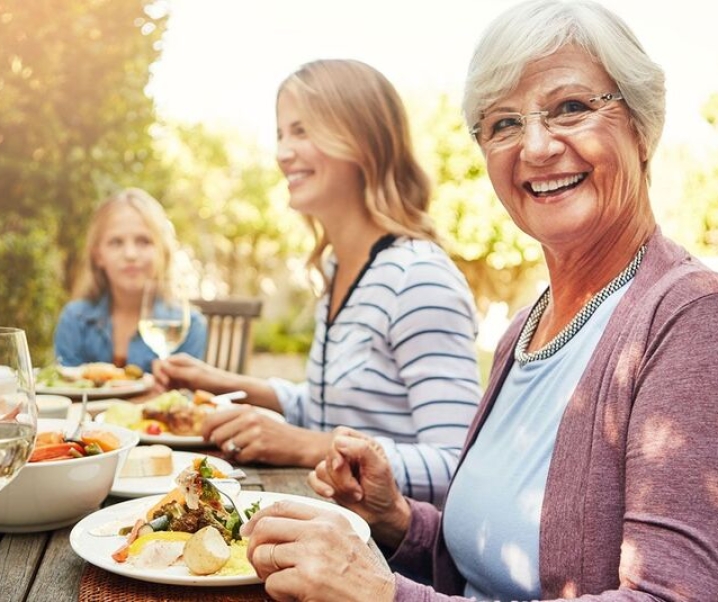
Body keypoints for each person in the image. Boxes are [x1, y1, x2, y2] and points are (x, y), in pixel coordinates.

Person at [237, 1, 718, 600]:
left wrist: (385, 594)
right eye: (504, 123)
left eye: (570, 107)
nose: (537, 147)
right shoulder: (524, 329)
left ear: (643, 126)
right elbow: (483, 566)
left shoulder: (690, 317)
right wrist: (399, 520)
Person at [153, 59, 482, 505]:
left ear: (362, 140)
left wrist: (303, 444)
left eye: (302, 131)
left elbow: (458, 464)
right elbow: (330, 406)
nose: (283, 152)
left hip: (390, 558)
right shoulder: (338, 268)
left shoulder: (418, 279)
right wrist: (216, 381)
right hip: (329, 520)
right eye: (281, 134)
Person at [54, 188, 206, 373]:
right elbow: (67, 390)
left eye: (143, 241)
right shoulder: (75, 320)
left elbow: (184, 398)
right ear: (98, 256)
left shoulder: (188, 327)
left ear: (163, 252)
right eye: (116, 242)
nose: (130, 254)